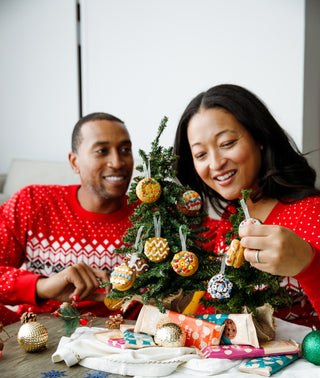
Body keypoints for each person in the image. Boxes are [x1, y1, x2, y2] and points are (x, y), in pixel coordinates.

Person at [174, 84, 320, 327]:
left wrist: (309, 265)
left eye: (227, 143)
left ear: (259, 138)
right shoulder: (231, 217)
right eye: (200, 155)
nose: (216, 163)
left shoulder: (311, 212)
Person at [0, 112, 138, 325]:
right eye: (102, 151)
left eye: (125, 150)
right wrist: (42, 287)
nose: (117, 162)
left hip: (118, 343)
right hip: (34, 339)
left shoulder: (152, 218)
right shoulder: (32, 202)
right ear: (74, 162)